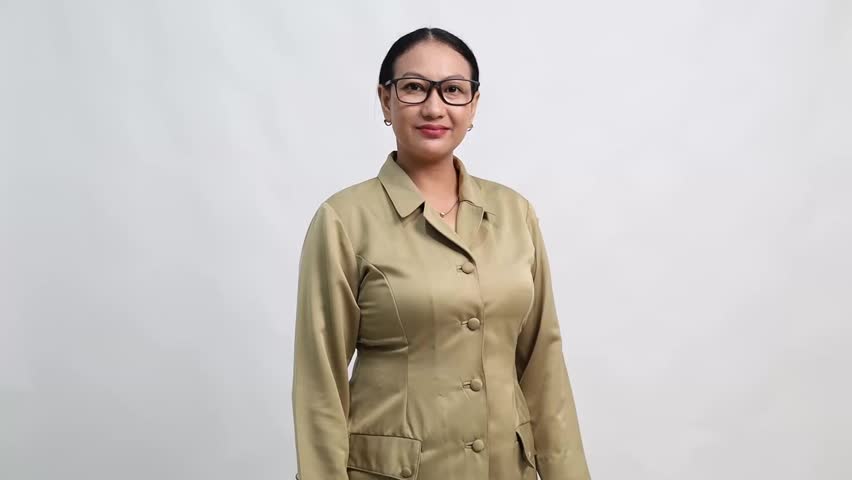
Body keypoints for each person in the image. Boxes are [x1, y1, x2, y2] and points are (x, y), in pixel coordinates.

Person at [292, 27, 591, 480]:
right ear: (386, 100)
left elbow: (543, 364)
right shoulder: (343, 220)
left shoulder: (515, 213)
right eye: (414, 87)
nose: (434, 107)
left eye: (453, 90)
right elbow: (319, 382)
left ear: (473, 105)